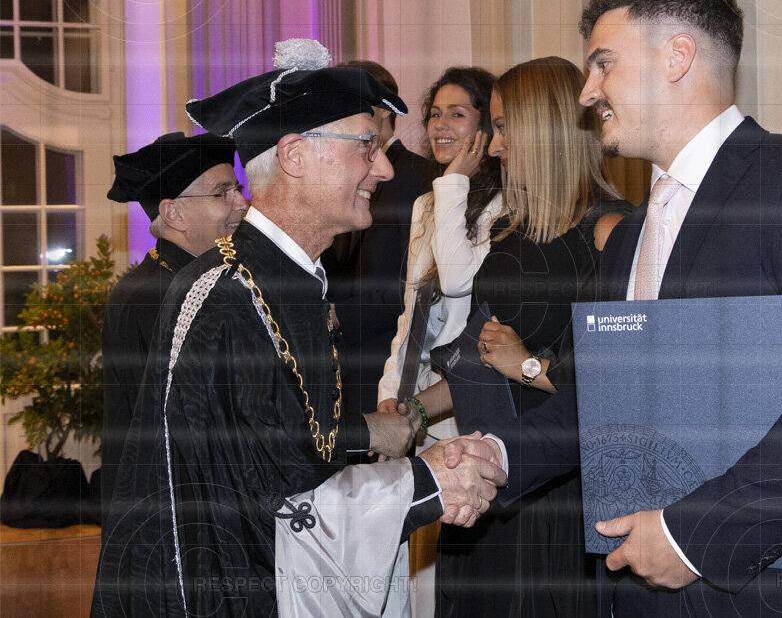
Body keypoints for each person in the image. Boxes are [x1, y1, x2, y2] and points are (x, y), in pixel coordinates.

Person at [448, 0, 782, 616]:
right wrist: (495, 453)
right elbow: (604, 404)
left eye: (603, 65)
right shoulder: (627, 238)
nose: (588, 92)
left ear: (677, 56)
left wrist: (694, 535)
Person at [91, 41, 506, 618]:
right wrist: (425, 482)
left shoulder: (288, 278)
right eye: (366, 146)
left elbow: (289, 444)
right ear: (294, 156)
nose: (385, 168)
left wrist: (391, 449)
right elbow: (269, 490)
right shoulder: (225, 294)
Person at [389, 57, 630, 617]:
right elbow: (479, 355)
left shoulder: (612, 232)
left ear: (545, 131)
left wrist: (528, 368)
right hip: (489, 488)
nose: (494, 146)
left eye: (503, 128)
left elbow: (622, 388)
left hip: (562, 491)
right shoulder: (507, 232)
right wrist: (413, 415)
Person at [375, 65, 504, 616]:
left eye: (457, 114)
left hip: (468, 395)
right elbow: (413, 311)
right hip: (418, 391)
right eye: (434, 114)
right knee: (414, 564)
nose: (440, 126)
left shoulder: (507, 204)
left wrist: (453, 182)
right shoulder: (426, 205)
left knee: (452, 556)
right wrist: (391, 392)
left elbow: (456, 280)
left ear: (487, 127)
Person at [101, 132, 248, 521]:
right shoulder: (149, 297)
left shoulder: (206, 278)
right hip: (171, 511)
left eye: (238, 189)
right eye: (222, 193)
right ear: (173, 213)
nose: (242, 203)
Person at [322, 60, 432, 415]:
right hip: (333, 362)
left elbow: (419, 281)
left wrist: (342, 314)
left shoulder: (420, 175)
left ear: (384, 110)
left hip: (383, 362)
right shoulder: (334, 174)